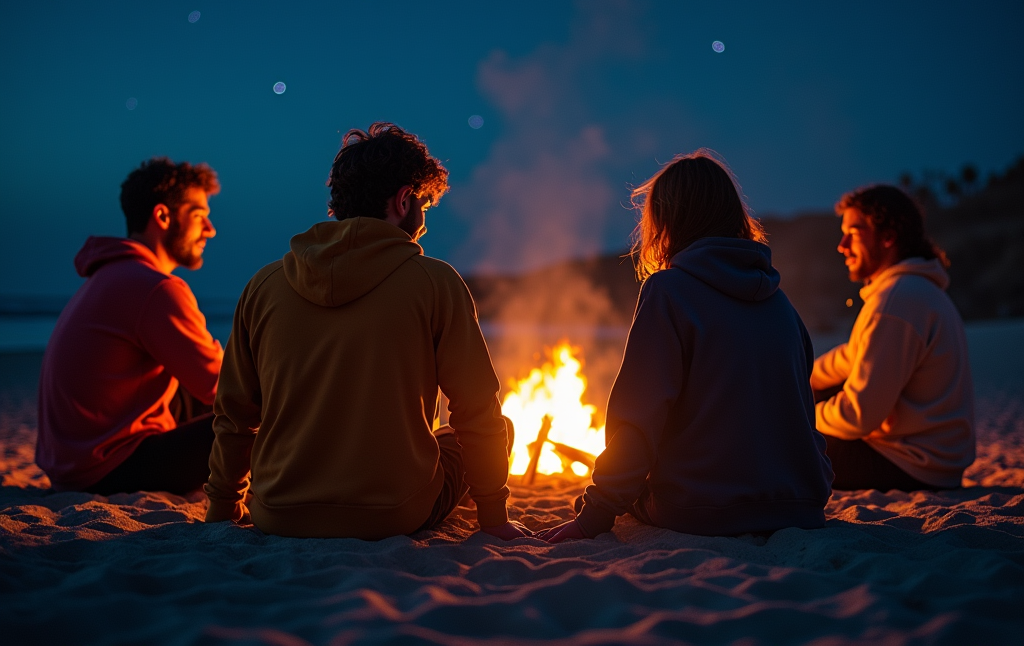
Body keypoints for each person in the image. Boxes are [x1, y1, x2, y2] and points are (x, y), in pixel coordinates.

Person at [204, 122, 528, 541]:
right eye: (423, 207)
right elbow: (476, 407)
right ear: (403, 200)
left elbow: (234, 415)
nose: (424, 224)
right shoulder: (434, 282)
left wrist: (223, 508)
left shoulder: (264, 285)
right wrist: (494, 519)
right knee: (496, 427)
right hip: (394, 515)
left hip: (277, 512)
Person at [541, 151, 833, 542]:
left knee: (628, 490)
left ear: (666, 220)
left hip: (702, 509)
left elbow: (638, 420)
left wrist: (594, 515)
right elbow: (802, 413)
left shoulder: (668, 291)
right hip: (801, 507)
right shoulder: (781, 303)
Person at [36, 157, 223, 495]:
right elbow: (224, 386)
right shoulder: (154, 288)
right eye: (199, 216)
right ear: (163, 217)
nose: (210, 229)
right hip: (107, 470)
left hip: (71, 468)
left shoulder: (109, 276)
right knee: (265, 413)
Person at [810, 185, 974, 491]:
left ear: (888, 236)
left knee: (778, 442)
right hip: (936, 462)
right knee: (809, 394)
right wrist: (799, 377)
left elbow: (858, 415)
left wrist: (799, 414)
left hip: (909, 465)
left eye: (854, 232)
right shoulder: (914, 291)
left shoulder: (896, 301)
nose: (842, 245)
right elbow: (852, 356)